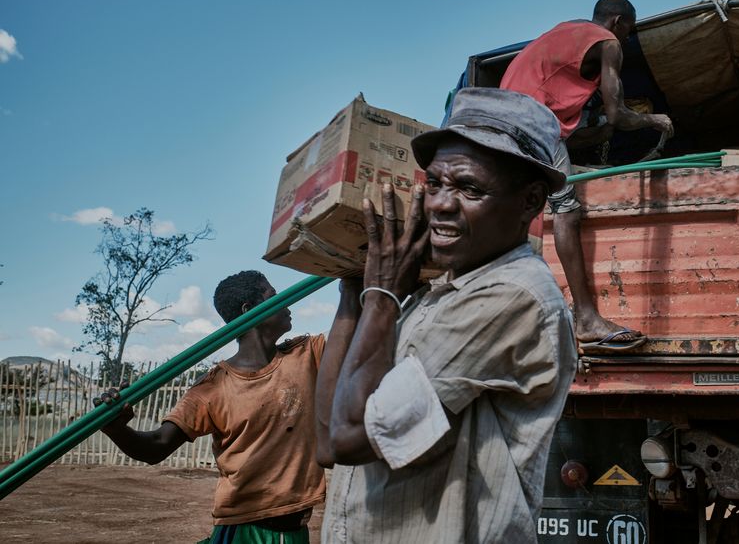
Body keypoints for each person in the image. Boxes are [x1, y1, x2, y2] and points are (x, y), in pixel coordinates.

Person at [315, 88, 576, 543]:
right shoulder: (430, 296)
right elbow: (324, 445)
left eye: (469, 188)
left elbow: (348, 436)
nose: (438, 203)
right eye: (434, 183)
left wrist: (379, 296)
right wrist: (353, 285)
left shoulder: (512, 296)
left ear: (531, 202)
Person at [95, 270, 327, 544]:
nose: (288, 303)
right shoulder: (214, 387)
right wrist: (114, 428)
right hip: (245, 531)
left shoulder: (307, 354)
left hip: (295, 531)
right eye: (275, 297)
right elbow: (156, 446)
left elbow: (359, 334)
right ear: (250, 309)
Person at [500, 0, 674, 352]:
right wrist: (655, 120)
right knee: (567, 209)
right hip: (530, 120)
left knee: (515, 211)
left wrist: (600, 132)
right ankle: (587, 318)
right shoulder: (608, 42)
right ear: (617, 22)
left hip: (502, 115)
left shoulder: (567, 31)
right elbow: (618, 115)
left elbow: (577, 124)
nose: (626, 39)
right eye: (629, 31)